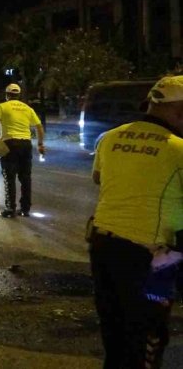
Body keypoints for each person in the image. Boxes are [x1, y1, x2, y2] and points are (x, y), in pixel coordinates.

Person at [89, 75, 183, 368]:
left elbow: (99, 179)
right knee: (149, 340)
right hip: (159, 258)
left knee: (115, 337)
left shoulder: (110, 138)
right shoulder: (178, 148)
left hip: (103, 245)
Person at [0, 83, 45, 218]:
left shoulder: (2, 106)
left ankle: (10, 209)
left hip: (10, 144)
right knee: (25, 178)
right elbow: (39, 127)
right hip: (26, 144)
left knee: (9, 177)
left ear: (7, 95)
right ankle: (25, 209)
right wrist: (40, 144)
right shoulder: (28, 108)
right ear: (19, 95)